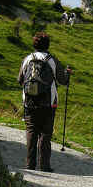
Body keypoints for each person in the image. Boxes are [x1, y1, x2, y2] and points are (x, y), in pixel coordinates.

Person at [18, 32, 70, 171]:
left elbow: (20, 80)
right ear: (48, 45)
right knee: (45, 134)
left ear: (34, 44)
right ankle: (44, 166)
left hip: (29, 101)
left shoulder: (28, 59)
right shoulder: (52, 60)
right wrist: (67, 73)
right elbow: (62, 81)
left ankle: (29, 165)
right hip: (48, 102)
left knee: (31, 132)